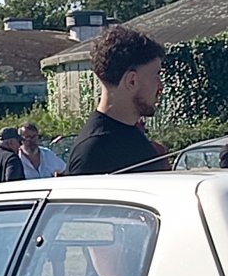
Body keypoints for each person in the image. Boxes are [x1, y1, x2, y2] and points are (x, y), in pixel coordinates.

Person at [63, 26, 166, 175]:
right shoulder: (94, 152)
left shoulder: (126, 138)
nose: (161, 86)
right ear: (132, 81)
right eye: (156, 76)